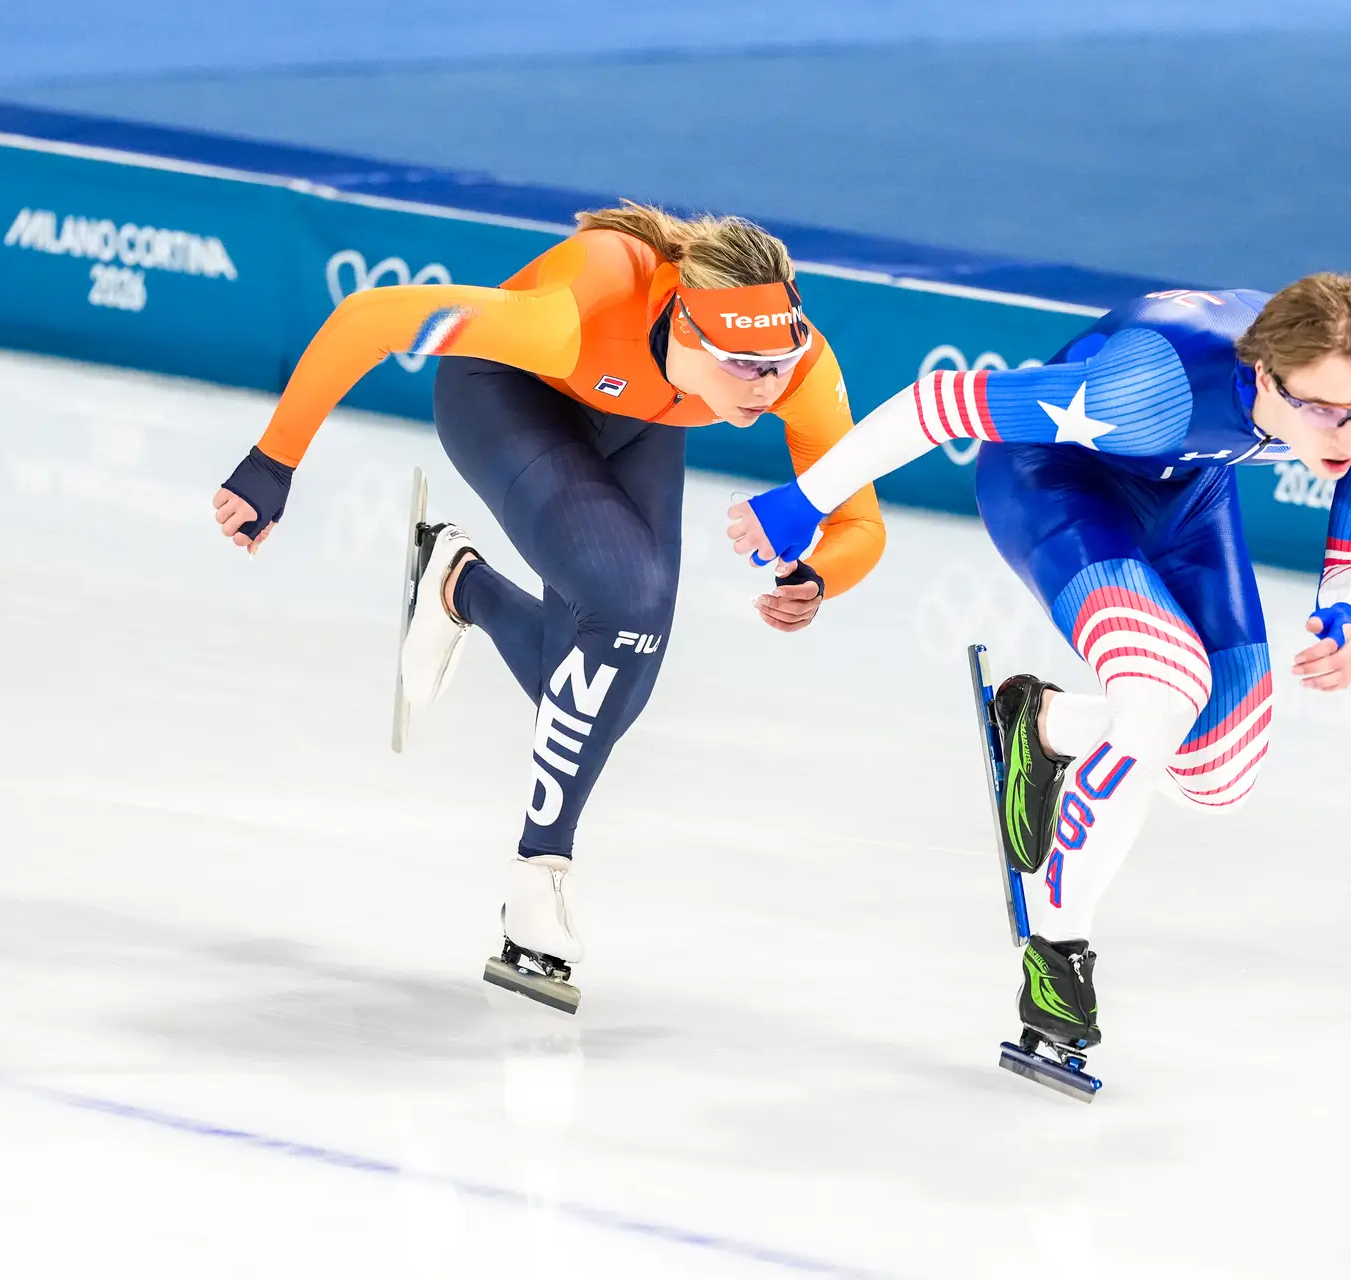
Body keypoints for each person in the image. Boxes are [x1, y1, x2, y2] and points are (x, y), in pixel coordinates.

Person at [727, 275, 1351, 1067]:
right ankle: (1057, 955)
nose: (1345, 434)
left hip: (1186, 497)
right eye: (1323, 412)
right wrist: (803, 500)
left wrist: (1349, 614)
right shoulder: (1147, 388)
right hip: (1055, 483)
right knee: (1163, 693)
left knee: (1219, 775)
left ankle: (1043, 723)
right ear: (1264, 377)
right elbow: (939, 402)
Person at [210, 202, 885, 1010]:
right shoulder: (581, 305)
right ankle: (540, 879)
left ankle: (459, 583)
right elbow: (370, 318)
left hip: (637, 422)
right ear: (685, 329)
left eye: (779, 362)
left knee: (614, 685)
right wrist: (272, 461)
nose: (769, 385)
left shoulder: (794, 369)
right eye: (744, 365)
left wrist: (818, 577)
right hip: (506, 401)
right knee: (627, 605)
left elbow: (860, 523)